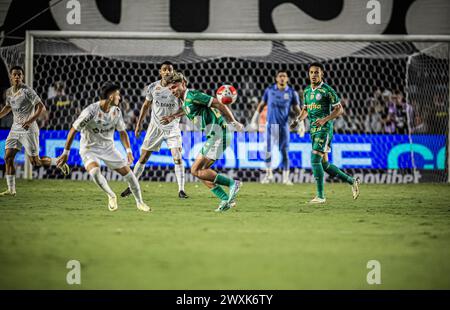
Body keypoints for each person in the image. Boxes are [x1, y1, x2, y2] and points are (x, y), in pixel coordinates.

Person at [56, 82, 150, 212]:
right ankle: (111, 195)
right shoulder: (90, 111)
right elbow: (73, 130)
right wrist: (66, 153)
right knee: (94, 171)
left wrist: (128, 151)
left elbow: (122, 132)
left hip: (108, 149)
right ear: (111, 96)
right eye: (118, 95)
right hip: (89, 148)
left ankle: (140, 203)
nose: (120, 98)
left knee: (130, 175)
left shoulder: (116, 111)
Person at [162, 71, 244, 212]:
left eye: (174, 87)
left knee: (195, 170)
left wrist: (233, 121)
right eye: (170, 89)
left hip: (219, 134)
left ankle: (233, 184)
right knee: (200, 172)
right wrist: (173, 116)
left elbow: (219, 104)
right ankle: (226, 200)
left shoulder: (194, 95)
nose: (172, 91)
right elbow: (186, 109)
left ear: (183, 84)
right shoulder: (185, 100)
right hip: (213, 136)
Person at [291, 62, 360, 203]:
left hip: (324, 129)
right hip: (313, 130)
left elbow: (339, 109)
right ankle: (352, 181)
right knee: (324, 165)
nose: (314, 75)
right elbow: (306, 110)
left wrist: (325, 119)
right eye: (311, 72)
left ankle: (321, 196)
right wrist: (298, 120)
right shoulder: (307, 91)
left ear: (322, 74)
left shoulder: (327, 90)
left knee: (315, 159)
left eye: (317, 72)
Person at [121, 61, 188, 199]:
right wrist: (139, 124)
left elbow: (187, 108)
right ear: (160, 72)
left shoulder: (177, 88)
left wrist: (173, 117)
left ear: (173, 71)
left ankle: (181, 190)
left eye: (170, 69)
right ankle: (131, 187)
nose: (168, 72)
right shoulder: (153, 87)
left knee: (177, 157)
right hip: (155, 128)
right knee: (143, 157)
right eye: (165, 69)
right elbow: (145, 106)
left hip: (172, 128)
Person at [0, 66, 69, 197]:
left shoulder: (27, 91)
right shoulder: (9, 92)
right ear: (10, 76)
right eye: (14, 74)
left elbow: (41, 107)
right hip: (15, 129)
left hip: (29, 129)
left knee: (35, 162)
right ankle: (11, 190)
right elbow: (8, 107)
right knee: (8, 157)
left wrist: (30, 121)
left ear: (22, 77)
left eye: (19, 75)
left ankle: (58, 162)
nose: (17, 77)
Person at [250, 70, 303, 185]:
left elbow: (297, 109)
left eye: (284, 76)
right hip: (271, 126)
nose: (282, 78)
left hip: (284, 126)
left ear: (287, 78)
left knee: (284, 152)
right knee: (267, 150)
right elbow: (261, 105)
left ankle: (286, 178)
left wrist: (301, 124)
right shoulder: (269, 91)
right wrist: (254, 120)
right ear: (276, 78)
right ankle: (269, 175)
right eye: (280, 76)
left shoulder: (292, 93)